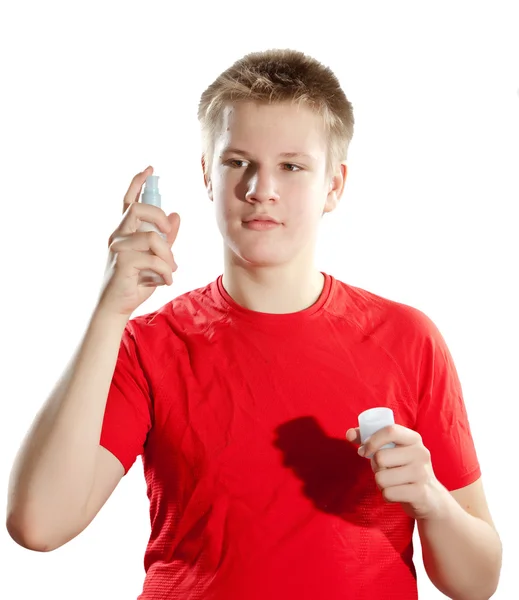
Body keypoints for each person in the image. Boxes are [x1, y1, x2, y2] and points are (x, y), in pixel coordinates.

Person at [6, 48, 502, 599]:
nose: (260, 188)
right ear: (206, 175)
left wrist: (430, 499)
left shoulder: (408, 339)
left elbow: (477, 583)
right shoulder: (145, 347)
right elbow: (38, 526)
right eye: (237, 161)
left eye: (291, 166)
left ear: (334, 185)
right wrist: (110, 310)